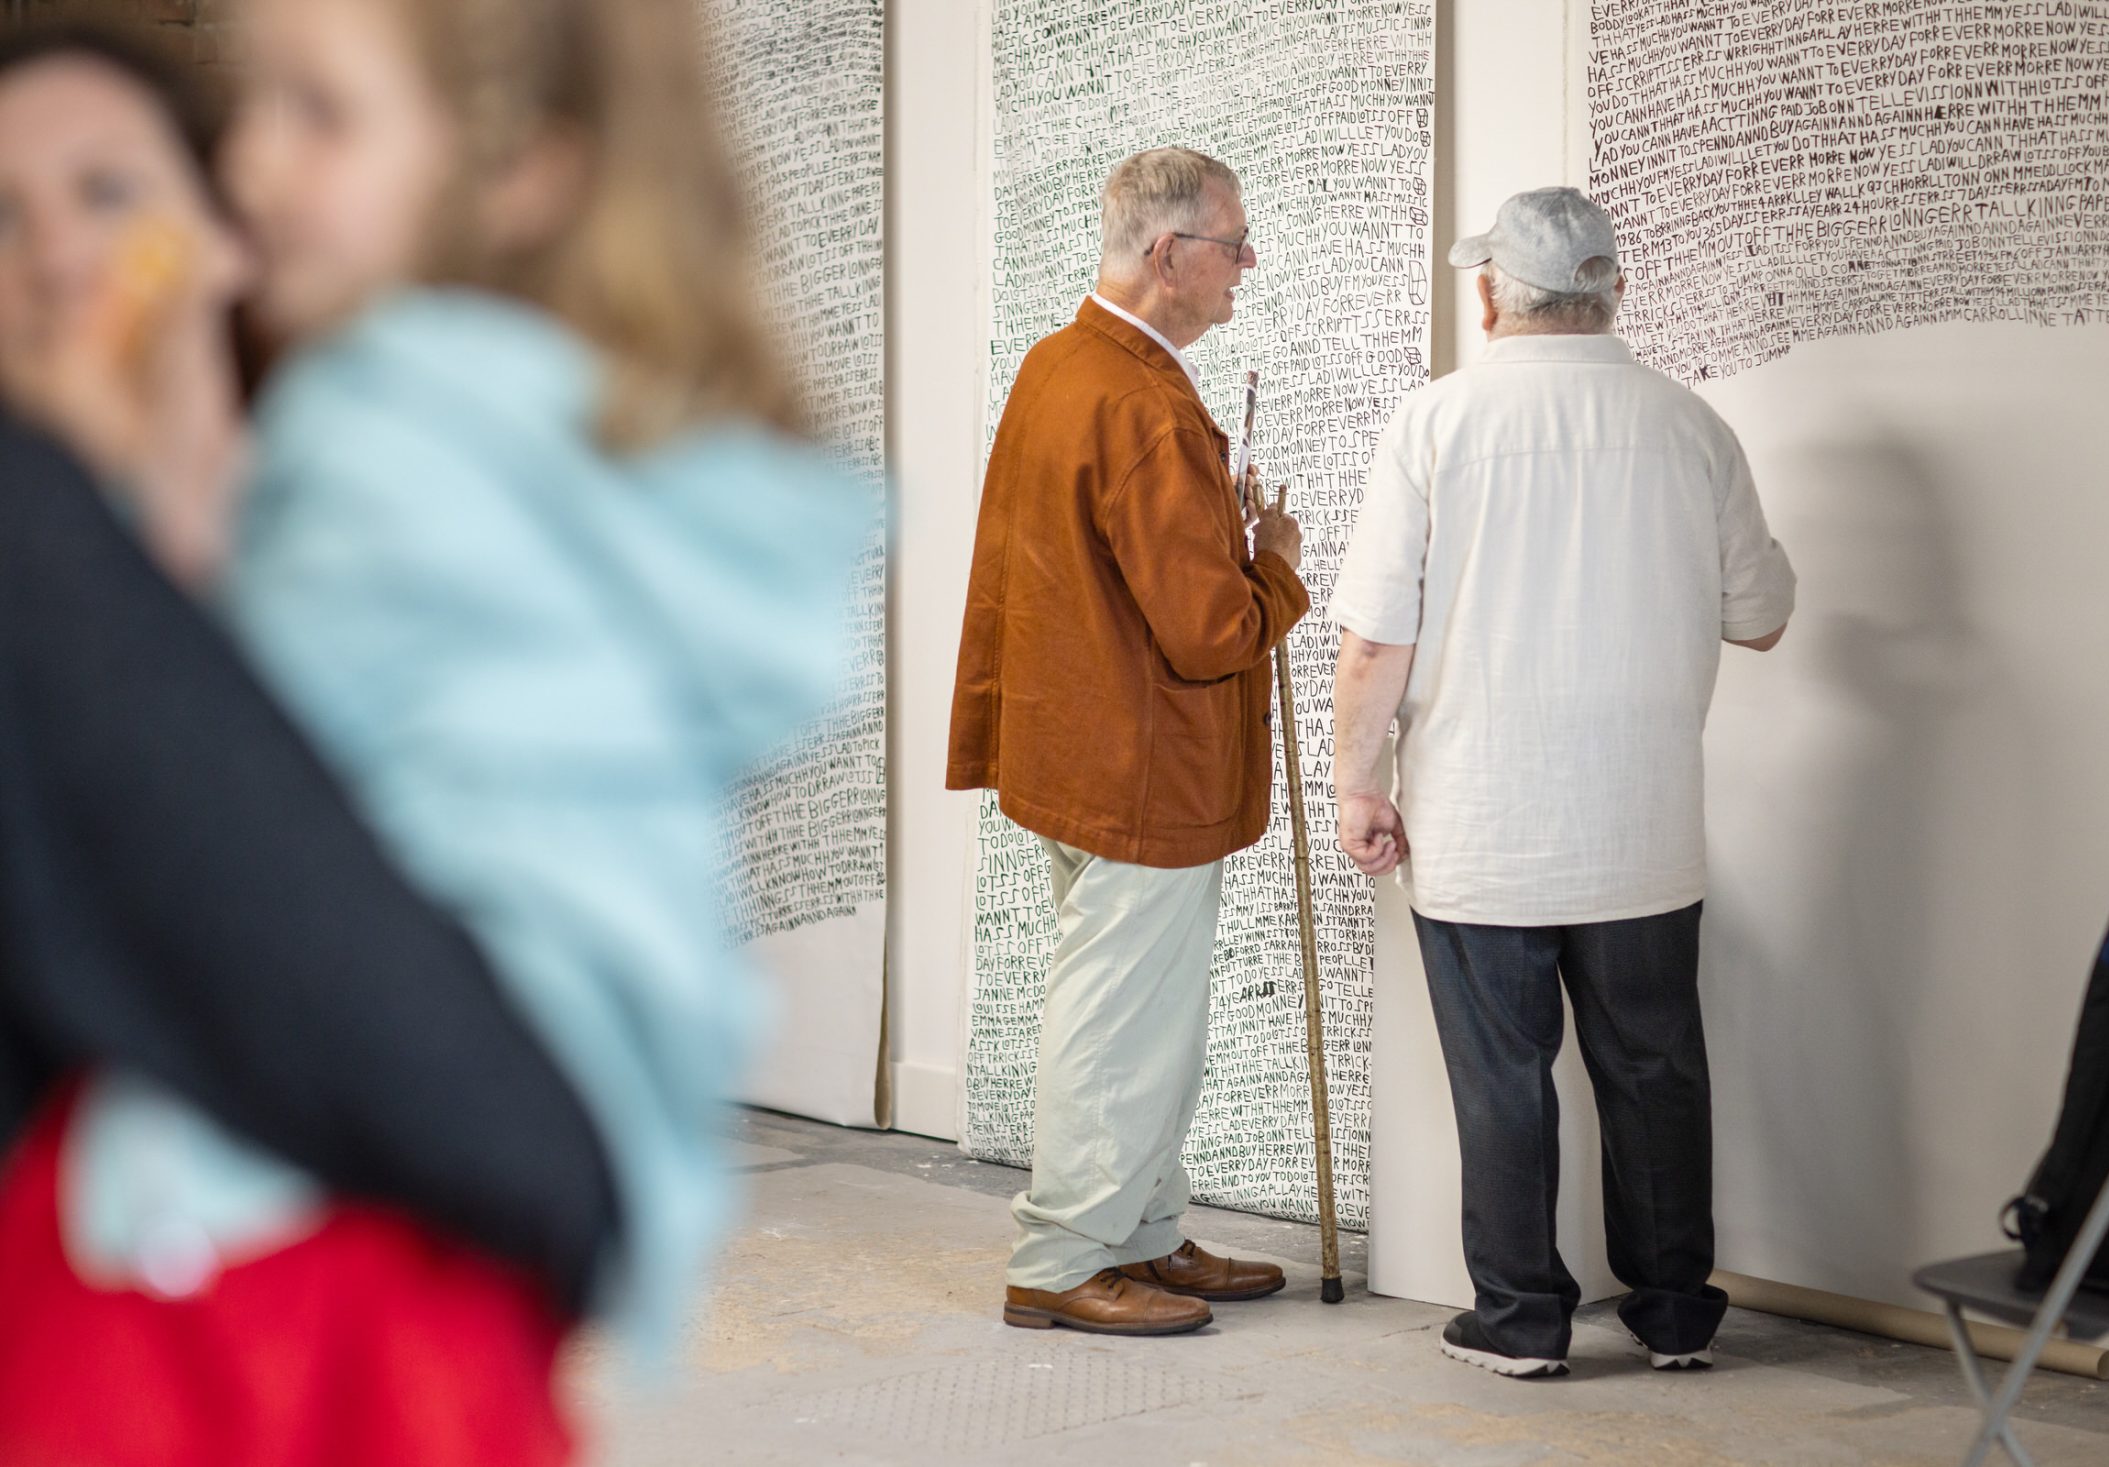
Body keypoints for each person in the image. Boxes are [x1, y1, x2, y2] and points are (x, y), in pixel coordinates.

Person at [0, 0, 869, 1460]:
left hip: (262, 1271)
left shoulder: (369, 446)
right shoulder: (545, 453)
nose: (60, 256)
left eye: (108, 190)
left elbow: (242, 839)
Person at [1330, 187, 1796, 1379]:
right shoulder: (1690, 426)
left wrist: (1356, 782)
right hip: (1641, 821)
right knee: (1654, 1069)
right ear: (1613, 292)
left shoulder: (1434, 423)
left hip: (1482, 820)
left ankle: (1522, 1321)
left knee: (1502, 1077)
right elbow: (1761, 616)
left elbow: (1375, 639)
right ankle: (1675, 1311)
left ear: (1490, 296)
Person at [947, 146, 1308, 1337]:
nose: (1246, 265)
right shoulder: (1142, 402)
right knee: (1118, 1024)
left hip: (1076, 749)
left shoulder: (1061, 364)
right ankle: (1061, 1259)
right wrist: (1274, 566)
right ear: (1168, 254)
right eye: (1233, 245)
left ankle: (1142, 1234)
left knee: (1145, 1020)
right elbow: (1210, 632)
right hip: (1142, 768)